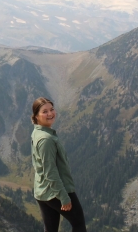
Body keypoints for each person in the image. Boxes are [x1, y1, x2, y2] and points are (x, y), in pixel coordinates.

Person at [31, 97, 87, 232]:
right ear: (36, 116)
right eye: (45, 111)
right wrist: (64, 197)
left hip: (42, 191)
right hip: (56, 191)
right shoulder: (46, 139)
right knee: (78, 224)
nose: (50, 114)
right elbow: (50, 171)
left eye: (51, 109)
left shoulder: (38, 132)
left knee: (50, 229)